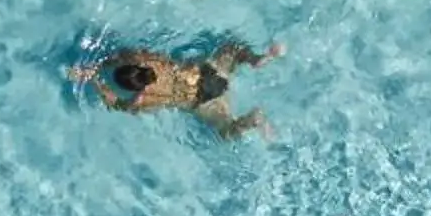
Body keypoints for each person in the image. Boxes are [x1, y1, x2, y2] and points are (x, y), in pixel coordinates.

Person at [71, 41, 282, 141]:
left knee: (226, 132)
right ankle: (256, 59)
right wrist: (107, 63)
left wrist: (95, 78)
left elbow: (116, 103)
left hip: (204, 102)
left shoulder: (142, 99)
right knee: (233, 48)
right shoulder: (143, 58)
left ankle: (253, 120)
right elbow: (119, 57)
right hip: (207, 72)